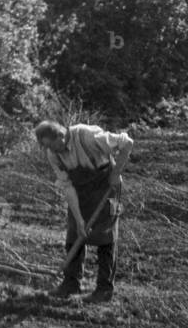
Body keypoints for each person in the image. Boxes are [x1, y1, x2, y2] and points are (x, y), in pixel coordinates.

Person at [34, 120, 133, 303]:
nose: (50, 150)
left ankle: (104, 290)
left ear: (61, 136)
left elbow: (127, 143)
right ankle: (70, 284)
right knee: (74, 235)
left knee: (106, 238)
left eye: (51, 145)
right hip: (80, 193)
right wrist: (79, 220)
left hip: (107, 188)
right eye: (46, 146)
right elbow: (68, 187)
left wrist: (116, 173)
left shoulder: (87, 135)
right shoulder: (53, 154)